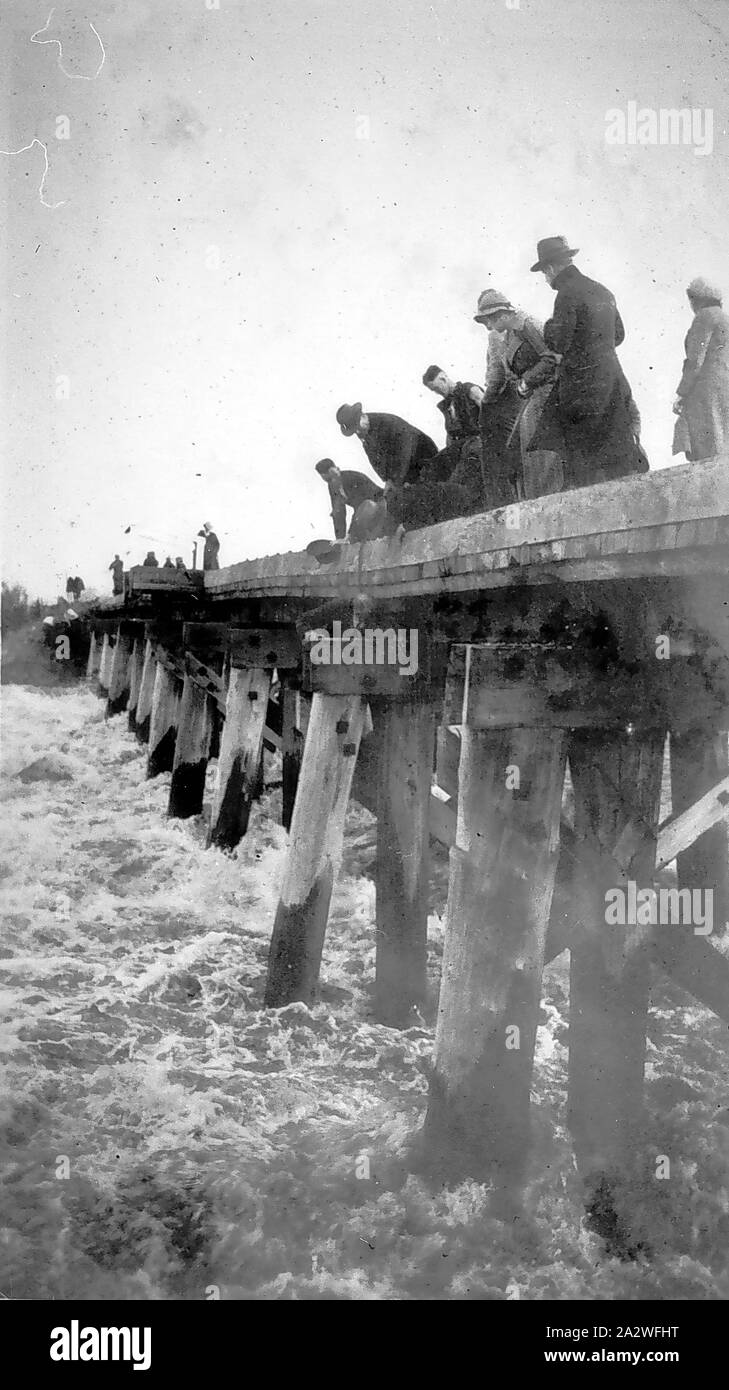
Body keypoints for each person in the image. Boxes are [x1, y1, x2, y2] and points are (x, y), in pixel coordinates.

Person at [527, 236, 643, 487]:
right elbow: (619, 335)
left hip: (581, 388)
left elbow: (558, 341)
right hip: (612, 382)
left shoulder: (565, 294)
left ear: (549, 268)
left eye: (544, 274)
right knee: (616, 457)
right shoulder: (603, 290)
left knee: (582, 465)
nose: (546, 279)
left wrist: (548, 326)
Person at [471, 295, 564, 500]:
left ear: (503, 315)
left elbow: (552, 358)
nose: (489, 326)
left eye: (490, 320)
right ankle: (528, 499)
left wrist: (526, 381)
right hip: (532, 394)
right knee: (514, 446)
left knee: (534, 446)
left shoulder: (525, 325)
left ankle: (545, 497)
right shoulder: (510, 334)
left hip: (548, 390)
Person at [672, 277, 729, 463]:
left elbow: (695, 360)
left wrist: (682, 393)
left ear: (696, 299)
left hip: (707, 391)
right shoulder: (724, 318)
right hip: (725, 386)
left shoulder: (704, 317)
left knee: (709, 445)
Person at [336, 402, 438, 487]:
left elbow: (404, 452)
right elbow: (375, 459)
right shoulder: (363, 433)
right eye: (354, 431)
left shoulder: (388, 423)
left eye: (358, 428)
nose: (357, 433)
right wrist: (386, 479)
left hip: (424, 457)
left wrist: (397, 481)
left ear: (363, 416)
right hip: (405, 469)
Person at [314, 458, 384, 540]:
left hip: (381, 505)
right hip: (364, 513)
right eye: (329, 480)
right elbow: (338, 513)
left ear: (337, 469)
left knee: (367, 507)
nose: (332, 481)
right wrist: (340, 539)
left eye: (333, 477)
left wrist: (351, 533)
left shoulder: (353, 478)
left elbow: (362, 506)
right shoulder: (332, 487)